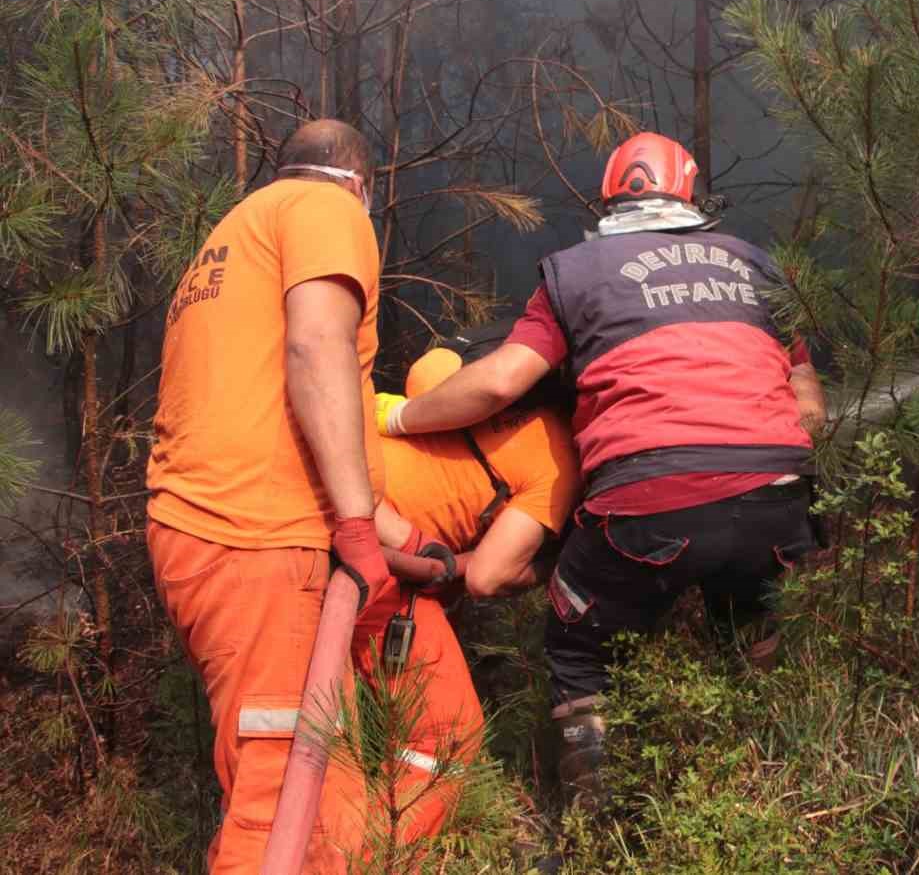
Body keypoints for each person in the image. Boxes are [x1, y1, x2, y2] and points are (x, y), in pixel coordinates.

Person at [374, 131, 827, 811]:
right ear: (695, 192)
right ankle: (766, 787)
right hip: (778, 493)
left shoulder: (577, 272)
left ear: (610, 198)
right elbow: (810, 409)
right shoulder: (760, 268)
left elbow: (498, 383)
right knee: (752, 628)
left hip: (649, 498)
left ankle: (597, 826)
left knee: (580, 650)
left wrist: (400, 420)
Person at [144, 119, 390, 873]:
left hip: (212, 533)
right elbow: (318, 348)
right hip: (257, 537)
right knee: (286, 801)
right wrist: (355, 524)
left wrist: (390, 530)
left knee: (325, 791)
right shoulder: (326, 210)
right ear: (362, 186)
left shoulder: (234, 231)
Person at [351, 345, 579, 838]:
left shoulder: (483, 383)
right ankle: (378, 852)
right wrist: (557, 562)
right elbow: (486, 577)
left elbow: (427, 367)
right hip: (372, 562)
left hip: (308, 486)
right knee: (445, 737)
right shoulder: (561, 466)